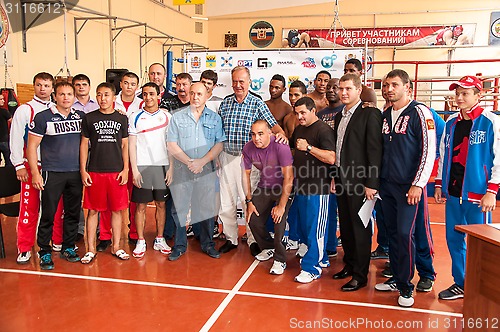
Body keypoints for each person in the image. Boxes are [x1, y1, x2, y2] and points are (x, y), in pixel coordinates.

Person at [375, 69, 436, 307]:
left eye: (394, 85)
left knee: (405, 233)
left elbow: (428, 151)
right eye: (386, 85)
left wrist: (418, 184)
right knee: (392, 234)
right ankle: (399, 277)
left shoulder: (420, 112)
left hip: (409, 188)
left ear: (407, 87)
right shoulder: (385, 114)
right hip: (387, 187)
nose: (389, 89)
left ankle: (406, 288)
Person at [434, 76, 499, 300]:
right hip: (453, 192)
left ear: (478, 96)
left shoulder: (489, 121)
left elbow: (498, 158)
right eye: (457, 93)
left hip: (478, 195)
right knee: (453, 240)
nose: (459, 98)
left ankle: (481, 285)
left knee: (480, 244)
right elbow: (444, 155)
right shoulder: (451, 122)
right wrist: (440, 184)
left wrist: (491, 191)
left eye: (465, 93)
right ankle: (461, 283)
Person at [218, 65, 286, 256]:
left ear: (249, 82)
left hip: (249, 161)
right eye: (235, 81)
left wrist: (282, 136)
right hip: (226, 156)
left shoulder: (257, 104)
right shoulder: (225, 104)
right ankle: (231, 238)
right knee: (226, 202)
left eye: (242, 81)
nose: (238, 85)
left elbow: (274, 126)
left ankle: (252, 239)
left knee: (249, 201)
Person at [331, 74, 382, 292]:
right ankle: (350, 265)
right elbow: (338, 151)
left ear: (359, 90)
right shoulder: (338, 117)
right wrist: (334, 176)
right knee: (348, 229)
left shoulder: (370, 114)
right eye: (341, 88)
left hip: (361, 183)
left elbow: (375, 151)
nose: (343, 92)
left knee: (360, 229)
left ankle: (360, 275)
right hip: (342, 180)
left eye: (348, 89)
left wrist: (371, 183)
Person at [27, 82, 85, 269]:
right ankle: (44, 250)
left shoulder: (81, 117)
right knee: (49, 213)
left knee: (73, 212)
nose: (66, 97)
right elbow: (31, 146)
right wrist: (35, 173)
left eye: (69, 94)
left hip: (76, 172)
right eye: (62, 94)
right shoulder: (44, 117)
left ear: (74, 97)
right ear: (55, 96)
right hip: (52, 172)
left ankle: (68, 247)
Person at [9, 72, 64, 264]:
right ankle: (24, 246)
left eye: (47, 86)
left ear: (52, 88)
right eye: (39, 85)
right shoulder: (24, 110)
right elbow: (15, 139)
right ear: (34, 86)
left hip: (54, 166)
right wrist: (18, 165)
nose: (43, 89)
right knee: (29, 207)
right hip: (31, 166)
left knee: (56, 206)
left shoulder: (58, 109)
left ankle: (57, 240)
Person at [167, 82, 226, 260]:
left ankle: (208, 244)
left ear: (207, 95)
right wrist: (189, 162)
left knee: (206, 209)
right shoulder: (177, 117)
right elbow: (171, 144)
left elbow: (219, 144)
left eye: (199, 94)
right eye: (192, 93)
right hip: (182, 169)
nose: (195, 97)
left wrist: (202, 162)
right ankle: (179, 246)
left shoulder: (215, 119)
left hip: (205, 168)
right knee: (179, 209)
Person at [80, 82, 130, 264]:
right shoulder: (89, 118)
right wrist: (83, 170)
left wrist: (126, 169)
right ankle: (90, 249)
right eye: (99, 95)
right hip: (95, 171)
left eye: (107, 95)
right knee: (92, 211)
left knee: (117, 211)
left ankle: (116, 246)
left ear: (114, 97)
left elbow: (125, 145)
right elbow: (84, 145)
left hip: (116, 171)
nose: (103, 99)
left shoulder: (122, 119)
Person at [290, 96, 335, 283]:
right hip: (302, 184)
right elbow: (293, 151)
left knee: (316, 229)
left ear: (313, 111)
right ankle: (321, 258)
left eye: (303, 113)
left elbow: (331, 158)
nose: (299, 116)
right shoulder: (299, 129)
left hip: (318, 187)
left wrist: (308, 147)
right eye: (297, 113)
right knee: (306, 226)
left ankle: (312, 268)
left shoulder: (323, 130)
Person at [243, 120, 294, 275]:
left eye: (260, 134)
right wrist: (249, 201)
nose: (256, 138)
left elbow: (289, 178)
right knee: (252, 218)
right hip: (264, 186)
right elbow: (246, 176)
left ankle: (280, 259)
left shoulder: (280, 145)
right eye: (253, 134)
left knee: (278, 221)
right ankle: (268, 247)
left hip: (284, 188)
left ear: (269, 133)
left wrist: (281, 206)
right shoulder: (248, 148)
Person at [129, 82, 172, 258]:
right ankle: (140, 241)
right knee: (141, 206)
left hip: (162, 167)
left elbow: (171, 145)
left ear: (158, 96)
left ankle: (159, 239)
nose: (148, 97)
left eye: (152, 94)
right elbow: (131, 145)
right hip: (142, 166)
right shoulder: (135, 116)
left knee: (161, 205)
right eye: (145, 94)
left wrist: (171, 169)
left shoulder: (167, 117)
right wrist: (134, 170)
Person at [71, 74, 107, 247]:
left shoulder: (98, 104)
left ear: (89, 86)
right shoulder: (68, 105)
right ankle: (79, 228)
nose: (81, 87)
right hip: (76, 152)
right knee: (78, 191)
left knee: (97, 192)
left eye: (84, 84)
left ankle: (100, 230)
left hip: (98, 152)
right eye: (77, 85)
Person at [114, 71, 143, 245]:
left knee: (135, 197)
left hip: (134, 157)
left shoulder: (142, 104)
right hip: (113, 156)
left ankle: (133, 232)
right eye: (126, 83)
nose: (129, 87)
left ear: (137, 87)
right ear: (121, 84)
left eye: (133, 84)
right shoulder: (111, 101)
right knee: (113, 198)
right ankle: (106, 234)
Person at [316, 78, 343, 256]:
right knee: (327, 209)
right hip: (324, 166)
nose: (331, 90)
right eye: (329, 87)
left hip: (344, 167)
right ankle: (329, 245)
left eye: (336, 87)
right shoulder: (321, 113)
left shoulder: (345, 111)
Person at [0, 94, 12, 166]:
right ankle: (9, 176)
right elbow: (13, 123)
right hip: (4, 140)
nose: (3, 101)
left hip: (4, 139)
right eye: (1, 99)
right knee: (8, 161)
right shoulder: (4, 111)